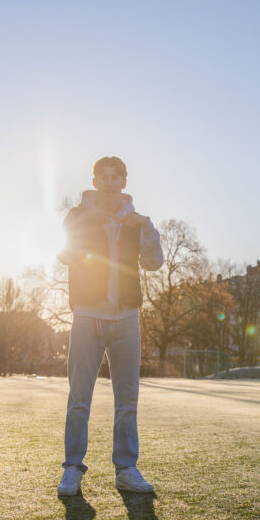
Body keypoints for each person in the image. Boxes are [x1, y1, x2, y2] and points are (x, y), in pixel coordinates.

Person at [56, 156, 164, 496]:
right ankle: (73, 467)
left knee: (127, 399)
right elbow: (65, 254)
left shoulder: (136, 221)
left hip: (126, 318)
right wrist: (86, 223)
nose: (109, 181)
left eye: (115, 176)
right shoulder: (77, 215)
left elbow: (154, 263)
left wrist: (146, 226)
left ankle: (126, 469)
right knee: (79, 398)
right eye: (102, 176)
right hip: (87, 316)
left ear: (124, 182)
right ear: (94, 180)